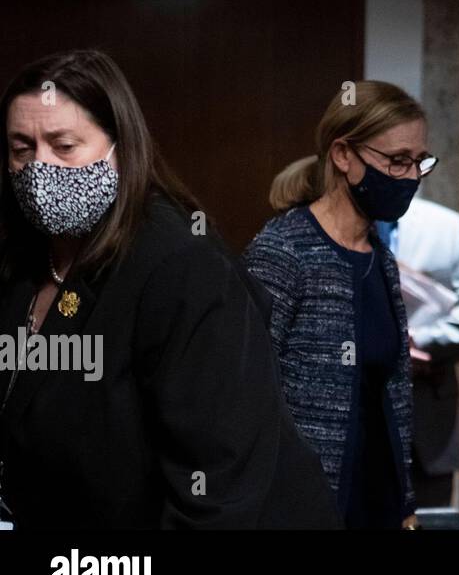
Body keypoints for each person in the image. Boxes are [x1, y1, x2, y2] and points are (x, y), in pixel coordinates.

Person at [0, 49, 338, 528]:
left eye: (64, 145)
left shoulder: (181, 263)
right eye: (22, 148)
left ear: (120, 147)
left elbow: (217, 483)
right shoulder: (21, 262)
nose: (41, 168)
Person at [248, 81, 436, 529]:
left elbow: (389, 397)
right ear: (343, 155)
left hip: (379, 504)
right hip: (304, 507)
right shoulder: (282, 251)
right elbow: (246, 396)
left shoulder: (379, 257)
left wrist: (405, 503)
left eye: (418, 162)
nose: (410, 177)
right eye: (396, 161)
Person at [374, 196, 459, 508]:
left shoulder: (444, 226)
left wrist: (417, 342)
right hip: (347, 416)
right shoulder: (327, 222)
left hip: (426, 422)